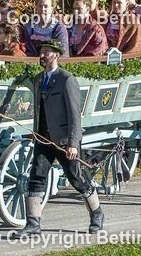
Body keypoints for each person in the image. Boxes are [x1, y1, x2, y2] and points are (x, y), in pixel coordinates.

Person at [15, 40, 105, 237]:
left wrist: (73, 143)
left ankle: (97, 213)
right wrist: (35, 132)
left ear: (56, 55)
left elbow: (74, 114)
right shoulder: (38, 79)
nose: (42, 55)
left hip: (64, 141)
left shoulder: (67, 79)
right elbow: (40, 110)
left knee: (77, 179)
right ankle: (33, 224)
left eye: (47, 52)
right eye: (41, 52)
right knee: (36, 177)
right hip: (43, 139)